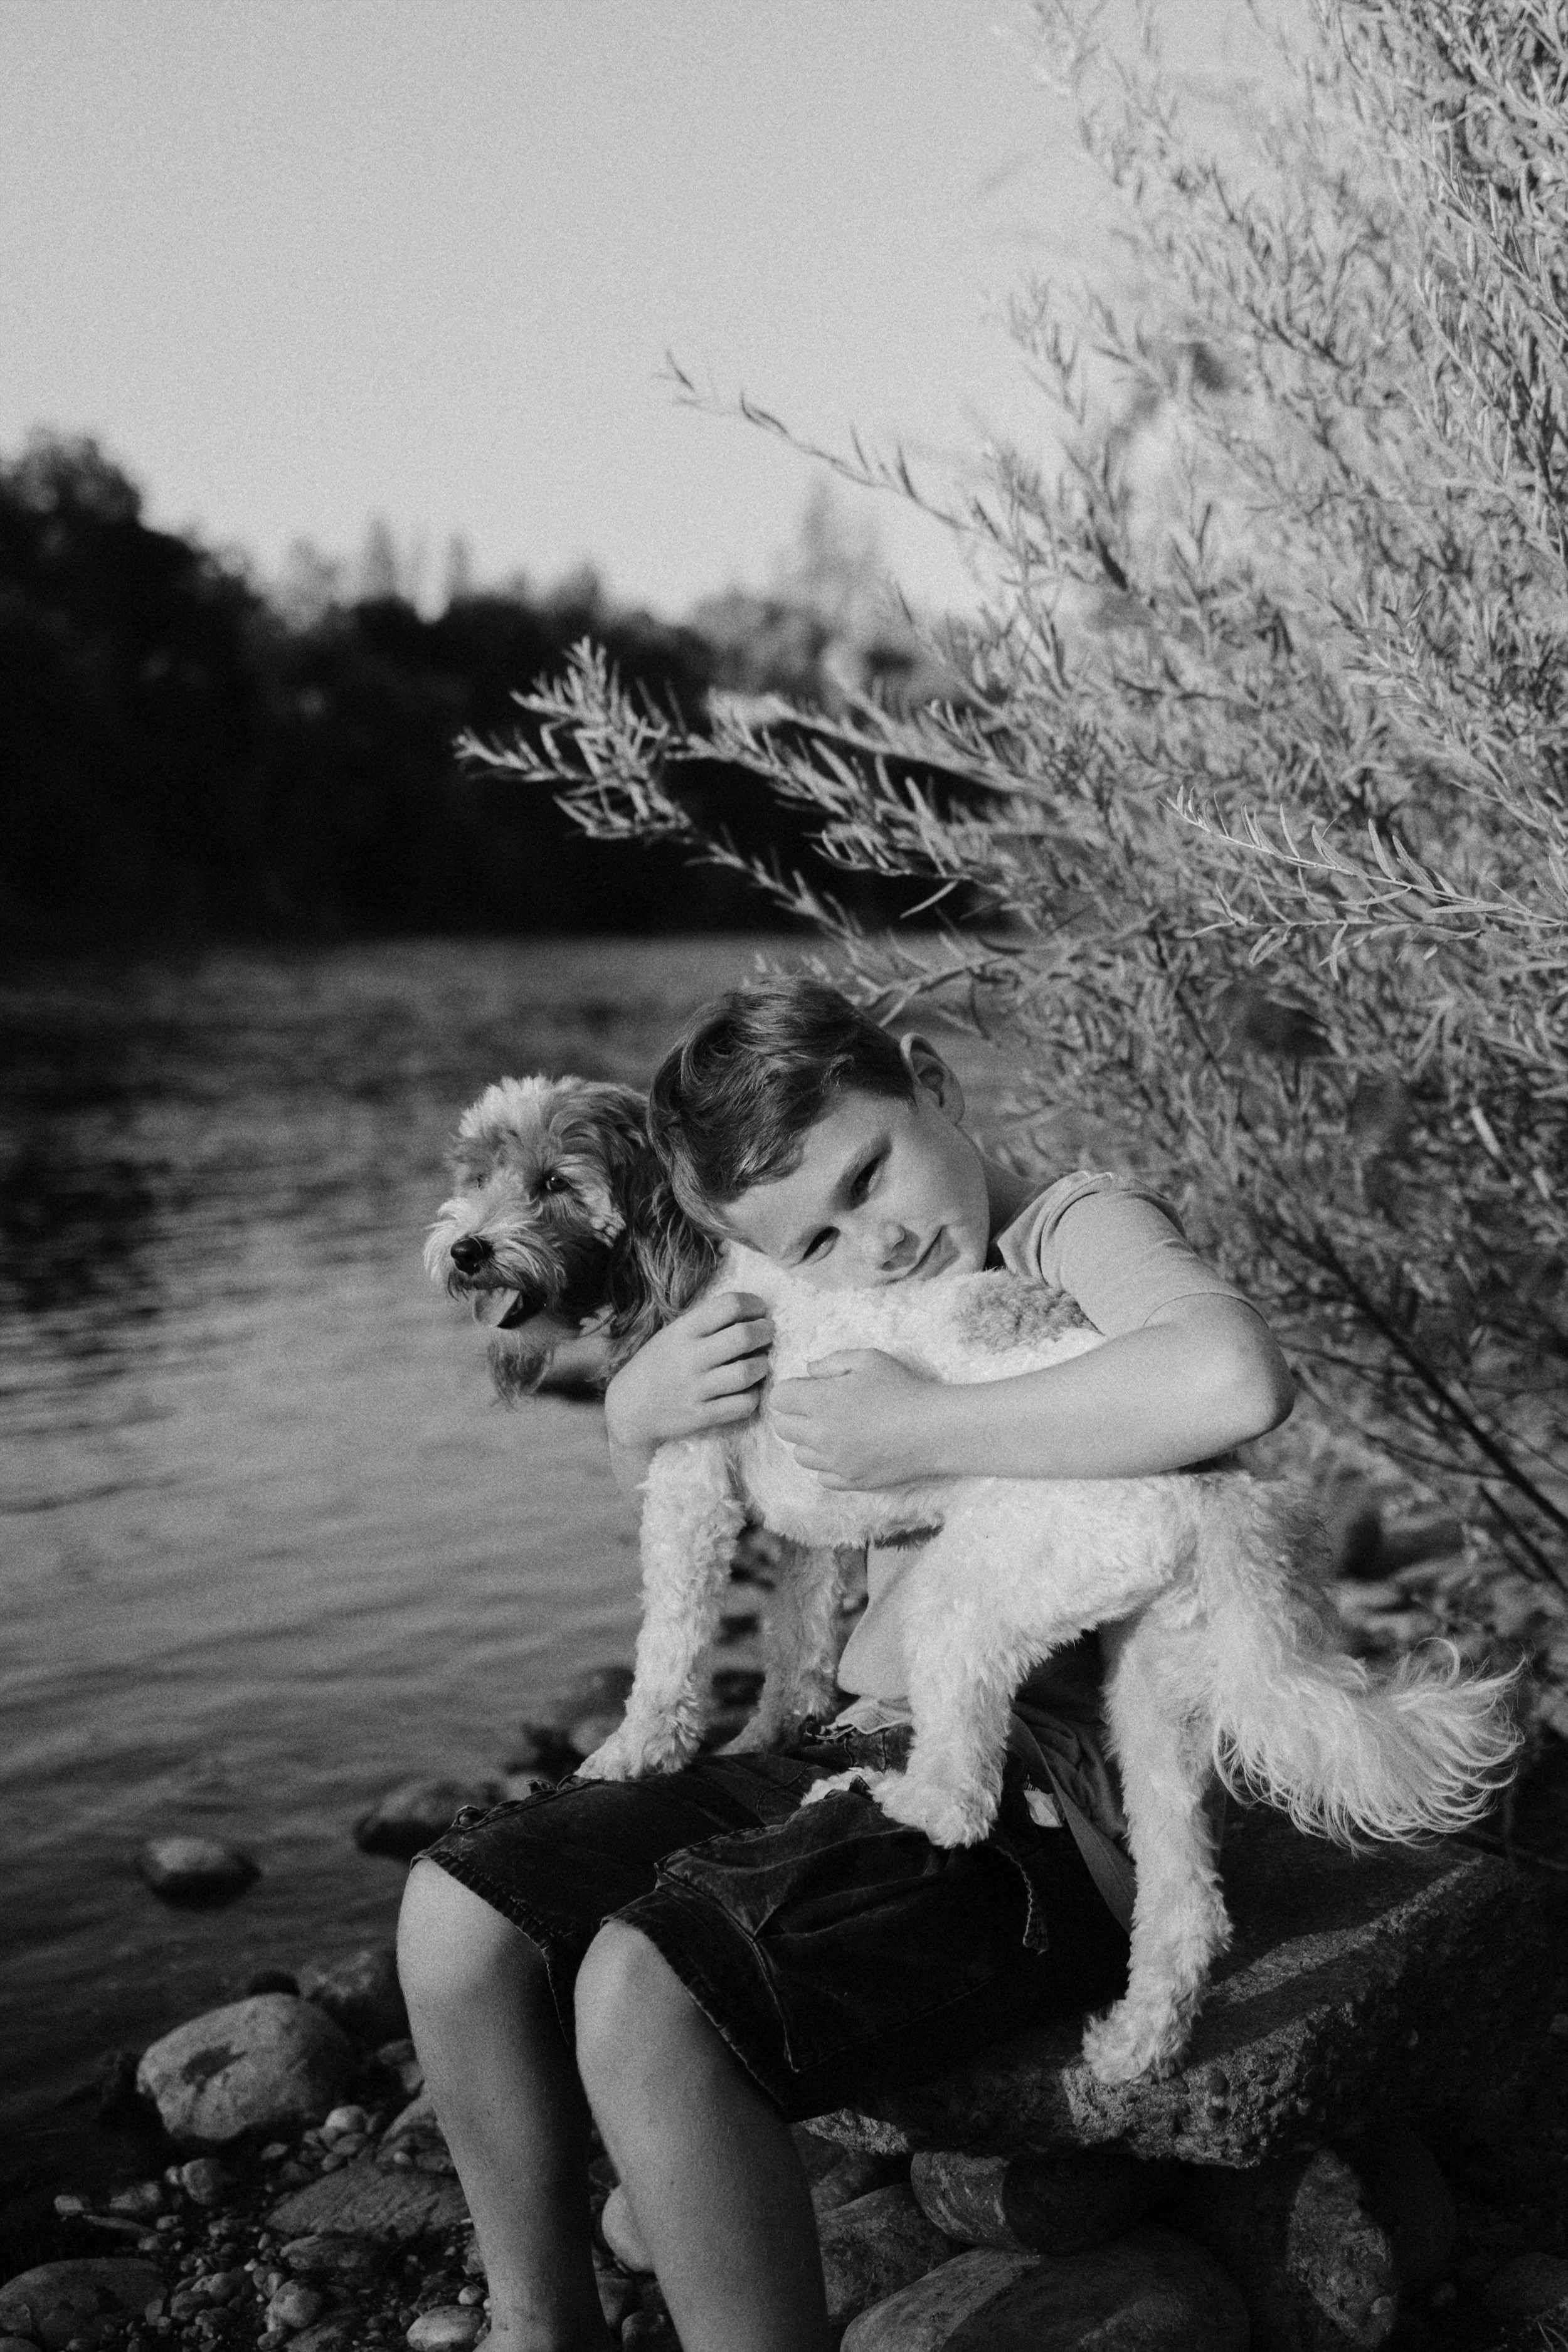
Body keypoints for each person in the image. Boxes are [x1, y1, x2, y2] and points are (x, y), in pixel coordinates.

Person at [397, 978, 1295, 2352]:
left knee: (647, 1992)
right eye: (814, 1233)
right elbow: (706, 1401)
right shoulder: (828, 1271)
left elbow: (1229, 1380)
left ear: (932, 1084)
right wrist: (633, 1408)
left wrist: (926, 1426)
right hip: (844, 1746)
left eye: (870, 1175)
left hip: (1041, 1798)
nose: (868, 1246)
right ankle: (540, 2327)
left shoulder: (1073, 1227)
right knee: (456, 1914)